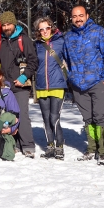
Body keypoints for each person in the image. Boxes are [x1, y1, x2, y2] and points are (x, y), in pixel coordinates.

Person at [64, 4, 104, 165]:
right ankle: (92, 148)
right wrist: (71, 78)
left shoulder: (98, 32)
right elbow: (65, 59)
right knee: (87, 118)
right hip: (78, 85)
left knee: (100, 117)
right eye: (74, 16)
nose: (78, 19)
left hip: (97, 82)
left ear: (87, 15)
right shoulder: (68, 36)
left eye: (80, 15)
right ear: (71, 18)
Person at [0, 11, 38, 158]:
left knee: (22, 113)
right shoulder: (1, 41)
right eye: (4, 25)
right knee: (8, 115)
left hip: (21, 85)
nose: (6, 27)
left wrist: (23, 77)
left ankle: (27, 145)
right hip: (6, 85)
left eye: (9, 24)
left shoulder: (24, 40)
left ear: (14, 24)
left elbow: (33, 61)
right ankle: (12, 143)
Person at [34, 17, 68, 160]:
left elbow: (70, 59)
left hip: (57, 84)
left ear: (52, 27)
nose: (44, 31)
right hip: (42, 86)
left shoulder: (61, 41)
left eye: (47, 28)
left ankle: (59, 146)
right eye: (41, 29)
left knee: (54, 117)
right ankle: (50, 146)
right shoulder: (36, 45)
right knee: (46, 118)